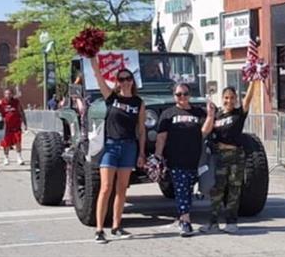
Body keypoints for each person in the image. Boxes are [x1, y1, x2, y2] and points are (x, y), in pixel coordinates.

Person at [90, 56, 146, 244]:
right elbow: (98, 76)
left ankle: (116, 226)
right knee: (106, 188)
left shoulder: (138, 102)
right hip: (111, 146)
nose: (125, 82)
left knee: (122, 189)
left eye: (128, 78)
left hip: (129, 146)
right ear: (117, 82)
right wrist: (92, 58)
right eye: (121, 79)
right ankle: (99, 229)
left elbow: (141, 129)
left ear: (132, 81)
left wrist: (141, 152)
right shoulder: (111, 98)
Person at [200, 80, 259, 234]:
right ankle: (213, 223)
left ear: (236, 99)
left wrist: (254, 80)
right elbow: (205, 131)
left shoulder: (239, 114)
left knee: (234, 190)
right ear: (222, 98)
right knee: (217, 190)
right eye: (226, 98)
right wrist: (210, 115)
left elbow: (249, 99)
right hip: (219, 157)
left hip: (236, 156)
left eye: (232, 98)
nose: (229, 101)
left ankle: (231, 222)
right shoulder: (217, 115)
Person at [154, 83, 212, 237]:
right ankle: (185, 220)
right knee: (181, 189)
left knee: (188, 189)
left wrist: (211, 116)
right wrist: (158, 156)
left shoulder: (198, 112)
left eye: (185, 94)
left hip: (195, 159)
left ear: (189, 95)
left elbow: (204, 132)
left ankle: (183, 216)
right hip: (176, 158)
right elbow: (161, 137)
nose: (182, 97)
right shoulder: (168, 114)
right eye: (179, 94)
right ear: (174, 96)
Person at [0, 88, 27, 165]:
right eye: (6, 94)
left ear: (12, 94)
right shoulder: (2, 103)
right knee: (6, 143)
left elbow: (22, 113)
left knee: (18, 141)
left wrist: (25, 124)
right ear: (4, 94)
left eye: (9, 93)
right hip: (6, 127)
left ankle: (19, 157)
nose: (8, 95)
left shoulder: (16, 102)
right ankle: (6, 157)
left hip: (16, 125)